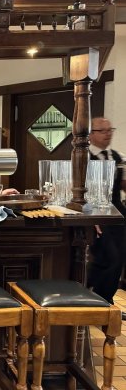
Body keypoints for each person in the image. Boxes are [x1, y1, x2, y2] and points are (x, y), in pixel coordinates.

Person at [87, 117, 126, 317]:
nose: (108, 134)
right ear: (91, 134)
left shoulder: (118, 157)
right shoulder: (83, 157)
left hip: (117, 215)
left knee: (119, 258)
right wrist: (89, 217)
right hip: (95, 215)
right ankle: (96, 298)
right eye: (102, 130)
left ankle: (105, 300)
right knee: (109, 257)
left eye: (110, 130)